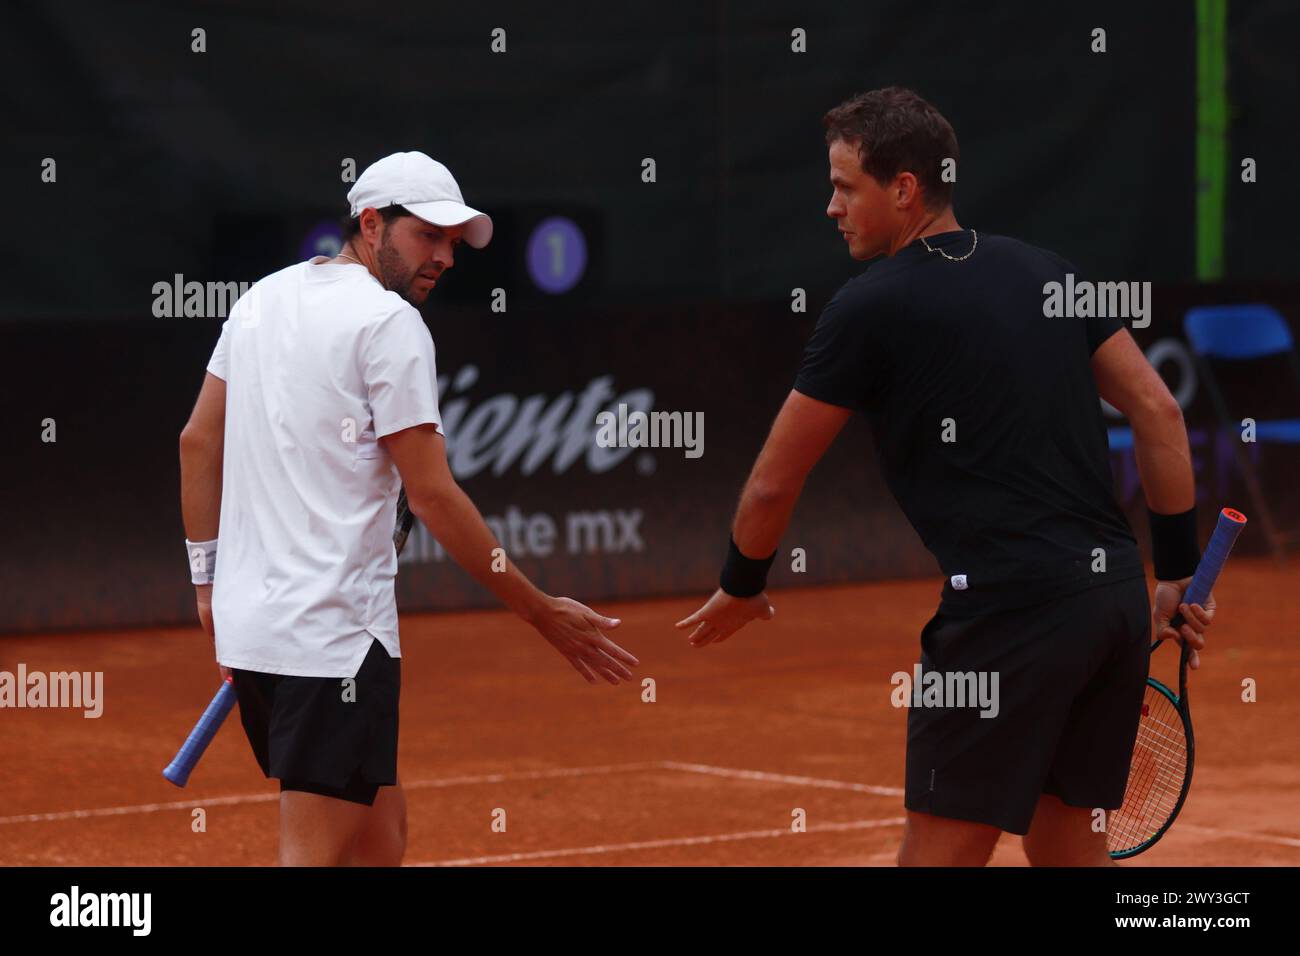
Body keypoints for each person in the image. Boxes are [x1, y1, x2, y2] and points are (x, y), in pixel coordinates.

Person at [676, 88, 1215, 866]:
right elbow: (1159, 412)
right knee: (1070, 851)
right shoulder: (1051, 271)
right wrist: (1177, 573)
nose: (831, 207)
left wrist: (743, 580)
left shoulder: (867, 308)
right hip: (1110, 606)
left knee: (938, 855)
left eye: (844, 187)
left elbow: (771, 481)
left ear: (904, 189)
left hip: (1004, 617)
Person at [179, 151, 638, 866]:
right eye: (428, 236)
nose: (446, 257)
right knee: (314, 855)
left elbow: (196, 441)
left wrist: (209, 587)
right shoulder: (390, 324)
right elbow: (431, 493)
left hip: (263, 631)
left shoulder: (259, 299)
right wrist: (539, 609)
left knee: (378, 840)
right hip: (334, 645)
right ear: (371, 223)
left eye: (453, 242)